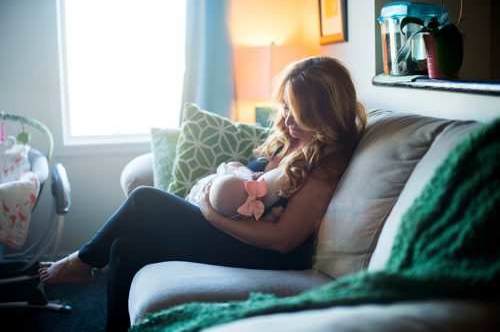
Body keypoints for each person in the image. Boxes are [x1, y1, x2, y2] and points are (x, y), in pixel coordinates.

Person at [38, 56, 367, 331]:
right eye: (285, 107)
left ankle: (79, 261)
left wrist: (211, 216)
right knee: (128, 245)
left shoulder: (322, 168)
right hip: (241, 236)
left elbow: (283, 241)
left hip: (265, 255)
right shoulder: (293, 140)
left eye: (298, 111)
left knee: (145, 200)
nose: (287, 118)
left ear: (323, 110)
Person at [186, 161, 288, 222]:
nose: (254, 196)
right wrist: (271, 217)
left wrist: (252, 174)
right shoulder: (241, 217)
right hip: (198, 199)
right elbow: (256, 224)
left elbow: (234, 164)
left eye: (250, 186)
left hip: (217, 180)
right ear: (238, 215)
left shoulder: (244, 176)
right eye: (245, 199)